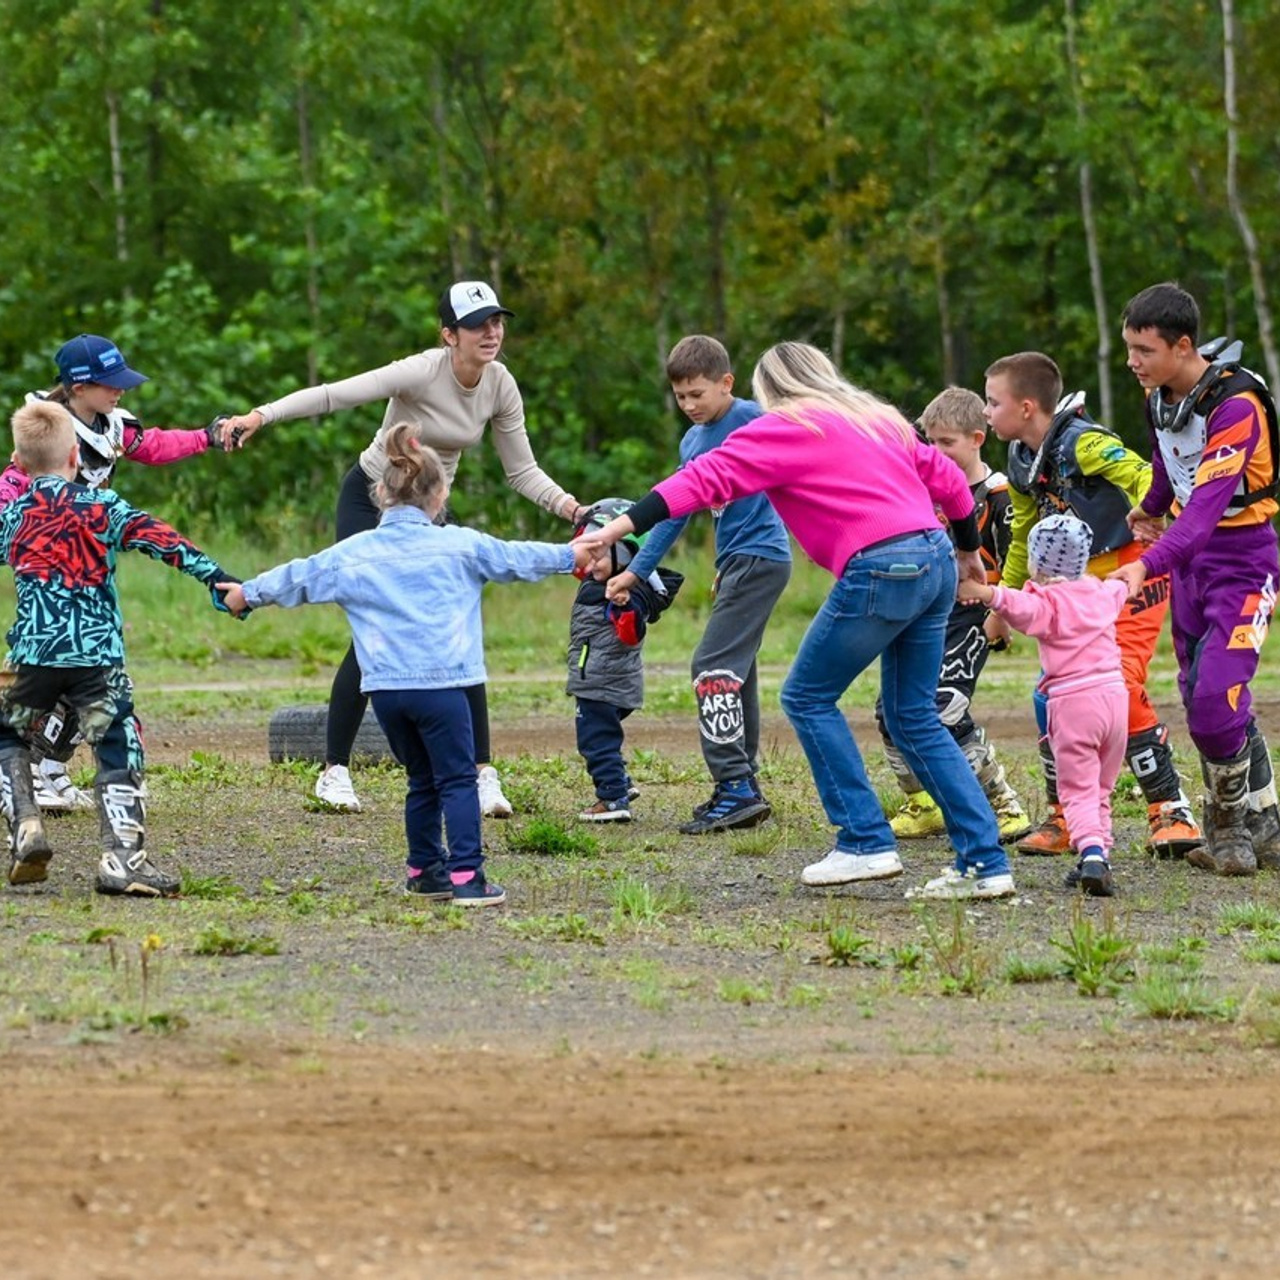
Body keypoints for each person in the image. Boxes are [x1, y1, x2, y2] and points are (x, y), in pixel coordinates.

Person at [581, 341, 1017, 900]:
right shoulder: (877, 419)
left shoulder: (782, 428)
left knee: (808, 697)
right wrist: (966, 551)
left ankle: (864, 841)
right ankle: (984, 862)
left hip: (880, 566)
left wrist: (612, 531)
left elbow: (696, 484)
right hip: (932, 561)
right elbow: (953, 485)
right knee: (914, 716)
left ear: (767, 389)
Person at [219, 281, 588, 818]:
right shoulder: (421, 370)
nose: (492, 332)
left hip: (432, 506)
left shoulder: (500, 384)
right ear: (448, 335)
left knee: (459, 623)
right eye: (477, 324)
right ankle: (335, 771)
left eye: (497, 321)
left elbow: (522, 470)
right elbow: (334, 394)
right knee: (374, 623)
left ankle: (483, 773)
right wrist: (261, 416)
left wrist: (572, 510)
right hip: (375, 497)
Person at [220, 422, 593, 907]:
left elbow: (299, 575)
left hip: (387, 694)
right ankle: (467, 878)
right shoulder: (461, 544)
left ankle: (424, 872)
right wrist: (573, 555)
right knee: (457, 779)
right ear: (439, 496)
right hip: (444, 687)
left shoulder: (355, 553)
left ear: (379, 494)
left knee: (421, 779)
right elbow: (519, 558)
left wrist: (246, 593)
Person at [0, 400, 239, 896]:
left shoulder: (13, 516)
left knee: (9, 735)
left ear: (18, 466)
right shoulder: (101, 506)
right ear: (75, 460)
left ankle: (25, 823)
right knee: (116, 743)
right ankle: (122, 859)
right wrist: (217, 579)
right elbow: (163, 540)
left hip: (33, 655)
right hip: (97, 657)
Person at [983, 351, 1202, 860]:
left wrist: (1154, 516)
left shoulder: (1083, 442)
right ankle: (1067, 815)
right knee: (1052, 696)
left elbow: (1146, 474)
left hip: (1129, 573)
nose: (987, 412)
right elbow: (1021, 537)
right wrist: (1003, 604)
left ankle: (1170, 808)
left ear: (1028, 406)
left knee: (1120, 683)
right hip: (1075, 587)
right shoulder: (1020, 459)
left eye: (994, 402)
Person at [1112, 282, 1280, 876]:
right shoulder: (1161, 395)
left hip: (1243, 559)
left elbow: (1207, 511)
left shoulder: (1235, 406)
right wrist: (1151, 504)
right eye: (1128, 347)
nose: (1132, 361)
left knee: (1214, 701)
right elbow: (1167, 455)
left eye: (1143, 349)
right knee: (1202, 694)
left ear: (1183, 346)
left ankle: (1227, 827)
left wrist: (1144, 563)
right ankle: (1266, 822)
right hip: (1191, 561)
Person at [607, 335, 792, 833]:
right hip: (736, 562)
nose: (689, 405)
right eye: (680, 396)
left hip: (763, 556)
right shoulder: (692, 442)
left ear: (726, 383)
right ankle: (743, 785)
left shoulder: (755, 418)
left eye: (698, 394)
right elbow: (673, 512)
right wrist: (635, 570)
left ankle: (733, 785)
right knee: (736, 671)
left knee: (710, 666)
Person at [876, 387, 1030, 843]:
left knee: (944, 706)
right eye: (931, 442)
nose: (937, 452)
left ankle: (1002, 803)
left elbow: (1016, 559)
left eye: (948, 443)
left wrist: (1001, 613)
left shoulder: (998, 495)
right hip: (925, 613)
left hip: (973, 615)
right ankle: (923, 801)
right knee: (891, 708)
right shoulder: (924, 490)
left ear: (977, 438)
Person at [959, 514, 1129, 896]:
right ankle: (1099, 855)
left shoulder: (1047, 603)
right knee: (1101, 786)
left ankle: (1092, 855)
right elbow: (1124, 588)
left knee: (1077, 789)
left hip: (1074, 705)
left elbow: (1015, 604)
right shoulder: (1103, 593)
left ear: (1038, 562)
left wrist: (982, 592)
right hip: (1116, 700)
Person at [568, 499, 683, 821]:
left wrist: (624, 608)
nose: (590, 564)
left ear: (628, 553)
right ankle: (620, 782)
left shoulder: (628, 594)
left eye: (599, 554)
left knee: (595, 740)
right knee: (601, 736)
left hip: (605, 682)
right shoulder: (599, 584)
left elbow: (633, 634)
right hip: (601, 678)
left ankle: (613, 799)